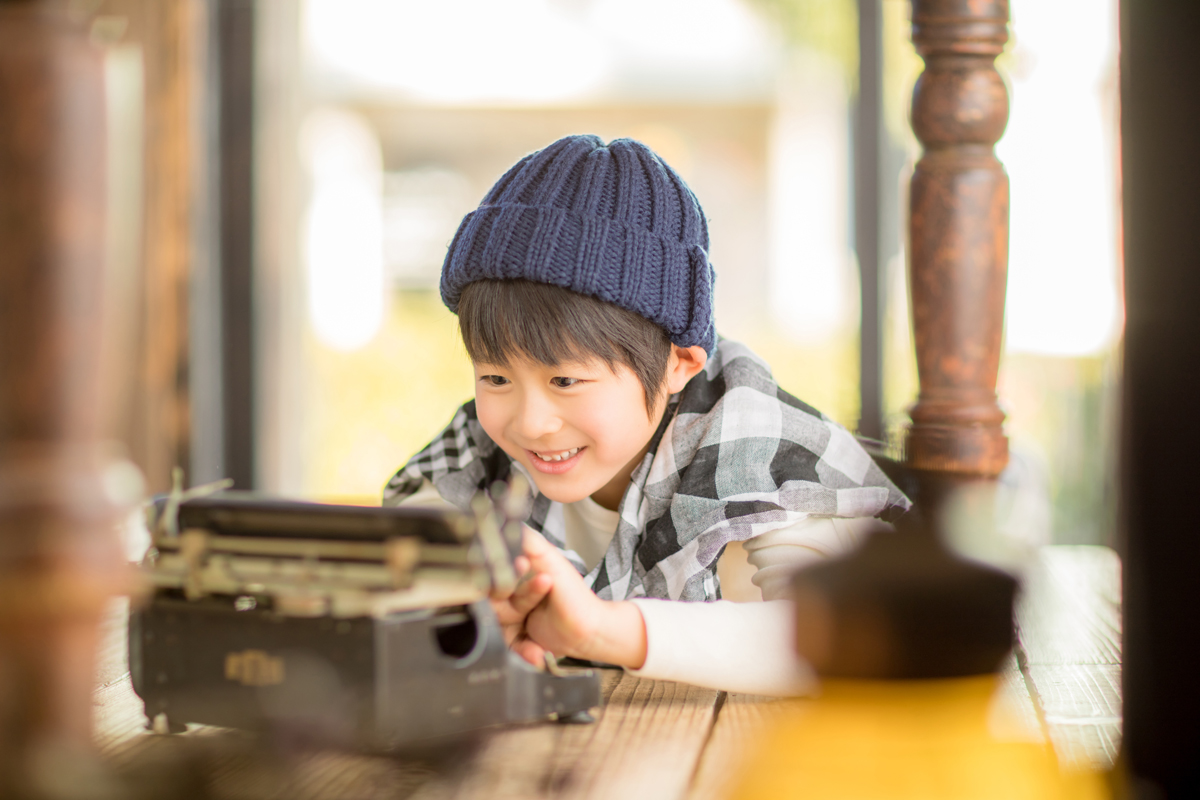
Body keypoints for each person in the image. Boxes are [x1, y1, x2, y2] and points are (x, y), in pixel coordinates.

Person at [383, 134, 909, 695]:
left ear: (680, 363)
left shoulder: (764, 449)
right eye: (495, 378)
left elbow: (834, 633)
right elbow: (395, 586)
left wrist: (601, 629)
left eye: (565, 381)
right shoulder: (476, 455)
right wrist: (456, 610)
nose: (530, 422)